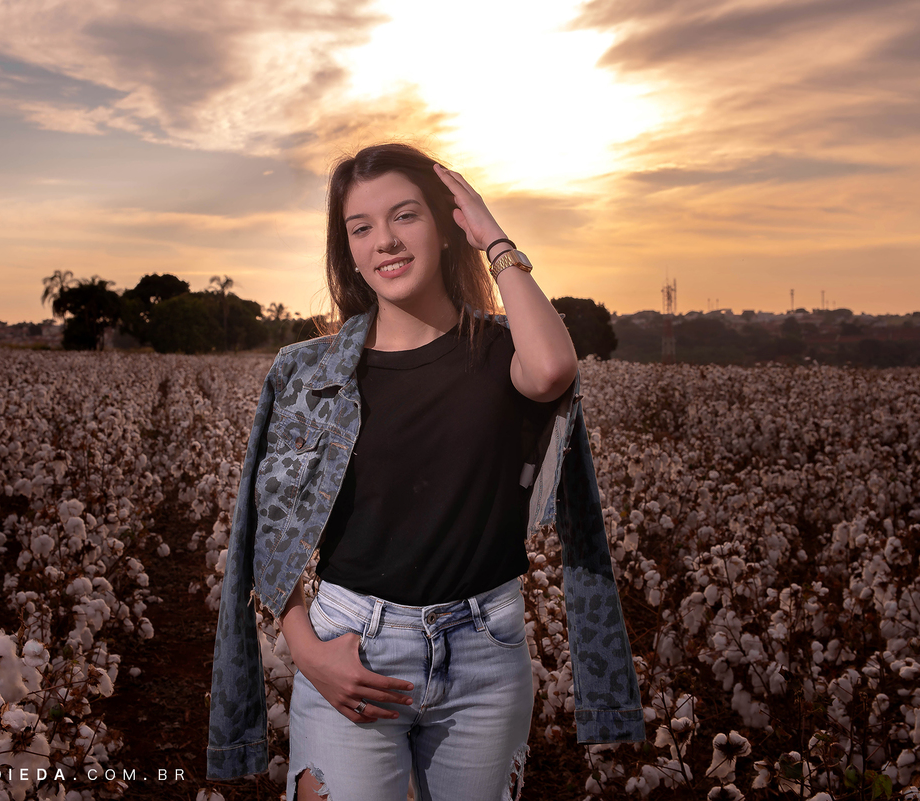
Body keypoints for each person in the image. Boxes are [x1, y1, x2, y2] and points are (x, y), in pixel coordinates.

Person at [206, 143, 644, 801]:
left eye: (405, 215)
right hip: (351, 645)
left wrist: (494, 239)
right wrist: (307, 649)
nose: (384, 240)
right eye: (361, 227)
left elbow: (555, 369)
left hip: (485, 655)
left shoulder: (502, 353)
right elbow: (269, 529)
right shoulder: (308, 371)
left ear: (446, 227)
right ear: (349, 250)